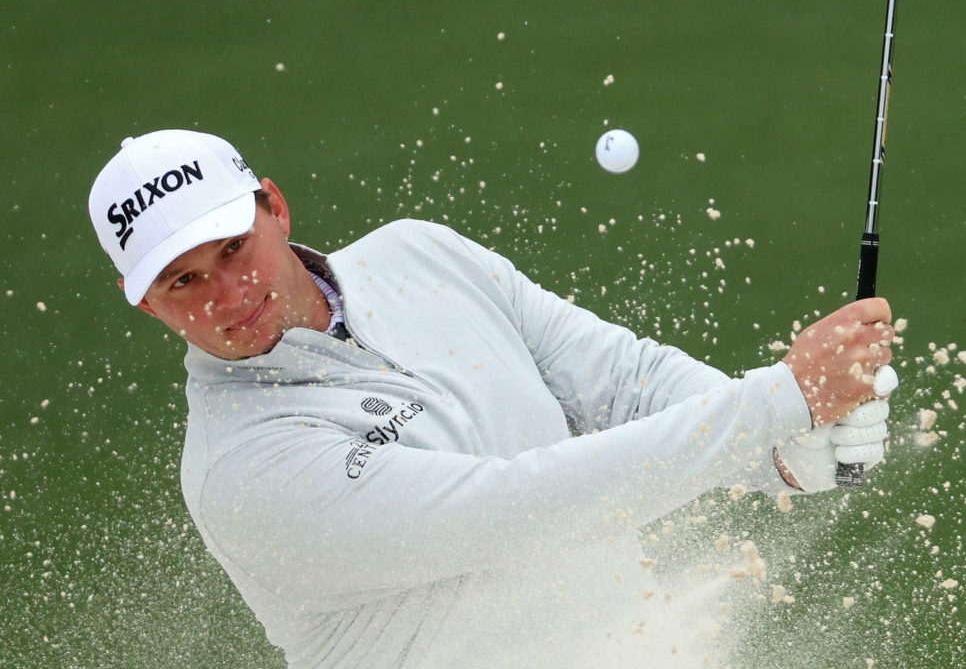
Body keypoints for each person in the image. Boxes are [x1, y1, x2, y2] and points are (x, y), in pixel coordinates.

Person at [89, 129, 896, 668]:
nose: (227, 294)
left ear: (275, 205)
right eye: (183, 280)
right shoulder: (242, 472)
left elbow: (622, 380)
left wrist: (784, 452)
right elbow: (522, 507)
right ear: (146, 304)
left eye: (234, 248)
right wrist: (775, 403)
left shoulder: (419, 253)